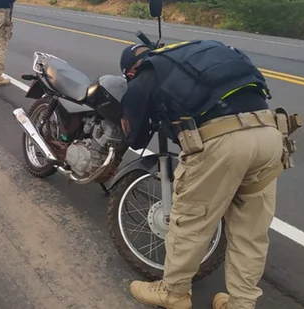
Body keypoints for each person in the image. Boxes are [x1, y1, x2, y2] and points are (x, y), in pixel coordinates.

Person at [118, 40, 289, 309]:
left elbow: (136, 138)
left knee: (191, 220)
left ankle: (173, 292)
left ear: (131, 71)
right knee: (251, 231)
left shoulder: (147, 73)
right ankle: (241, 303)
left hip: (223, 142)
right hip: (269, 134)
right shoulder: (202, 51)